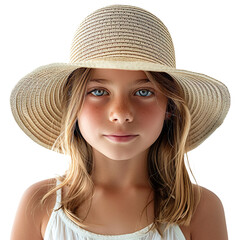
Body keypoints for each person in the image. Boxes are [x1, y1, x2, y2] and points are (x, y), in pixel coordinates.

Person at [10, 4, 230, 240]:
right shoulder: (39, 205)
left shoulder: (199, 210)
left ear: (170, 107)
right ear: (71, 105)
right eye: (98, 91)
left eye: (144, 92)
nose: (121, 113)